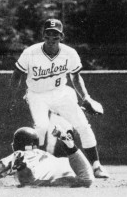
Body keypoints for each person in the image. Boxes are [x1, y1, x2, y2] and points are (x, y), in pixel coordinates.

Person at [10, 18, 109, 178]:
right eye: (48, 35)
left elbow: (76, 78)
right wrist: (13, 96)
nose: (51, 39)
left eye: (55, 36)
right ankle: (33, 166)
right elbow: (16, 75)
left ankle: (97, 166)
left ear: (61, 36)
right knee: (41, 127)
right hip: (37, 94)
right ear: (43, 35)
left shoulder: (69, 53)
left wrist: (86, 97)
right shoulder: (31, 52)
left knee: (83, 125)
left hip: (60, 92)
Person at [0, 126, 94, 187]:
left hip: (40, 179)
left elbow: (1, 166)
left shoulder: (22, 153)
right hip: (69, 174)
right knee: (87, 179)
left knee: (28, 179)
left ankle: (22, 167)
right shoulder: (46, 155)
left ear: (18, 144)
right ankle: (71, 147)